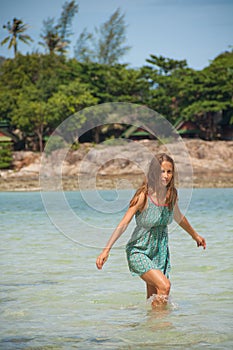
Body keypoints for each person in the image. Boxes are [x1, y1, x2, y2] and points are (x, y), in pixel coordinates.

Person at [96, 153, 206, 308]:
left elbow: (179, 217)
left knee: (154, 297)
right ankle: (162, 326)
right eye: (162, 171)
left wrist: (195, 236)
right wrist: (106, 250)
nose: (166, 176)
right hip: (139, 251)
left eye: (169, 172)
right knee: (165, 286)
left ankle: (152, 328)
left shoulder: (171, 195)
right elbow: (124, 223)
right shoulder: (144, 196)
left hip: (159, 252)